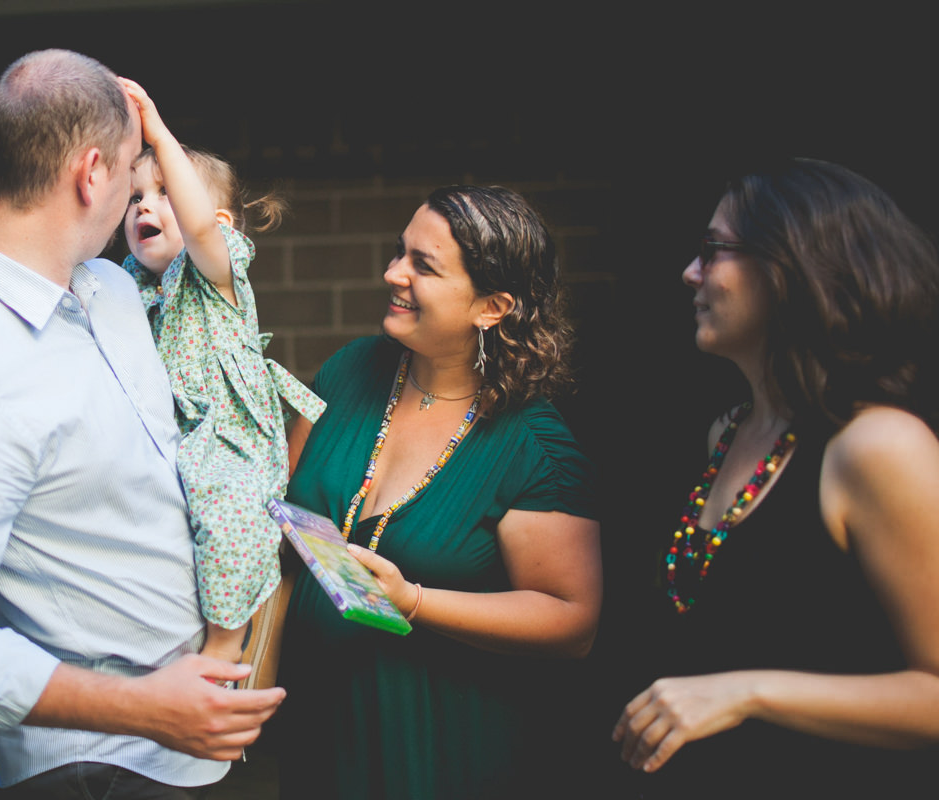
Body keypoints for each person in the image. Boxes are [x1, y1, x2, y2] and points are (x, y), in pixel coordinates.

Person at [0, 49, 284, 797]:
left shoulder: (115, 290)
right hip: (99, 768)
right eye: (131, 170)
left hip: (205, 751)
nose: (137, 191)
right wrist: (140, 708)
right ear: (93, 175)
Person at [611, 158, 939, 798]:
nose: (690, 272)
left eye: (714, 250)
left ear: (792, 266)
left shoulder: (876, 446)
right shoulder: (728, 433)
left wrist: (748, 692)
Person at [273, 185, 603, 799]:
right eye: (400, 251)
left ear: (491, 307)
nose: (392, 273)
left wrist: (414, 601)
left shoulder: (533, 445)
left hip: (439, 746)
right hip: (320, 735)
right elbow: (282, 532)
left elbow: (572, 620)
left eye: (423, 265)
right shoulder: (348, 372)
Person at [115, 82, 325, 665]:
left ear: (222, 222)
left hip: (230, 442)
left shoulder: (215, 271)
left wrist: (158, 134)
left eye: (164, 193)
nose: (144, 207)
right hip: (173, 443)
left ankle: (227, 644)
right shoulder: (129, 286)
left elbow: (200, 229)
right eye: (134, 197)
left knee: (228, 516)